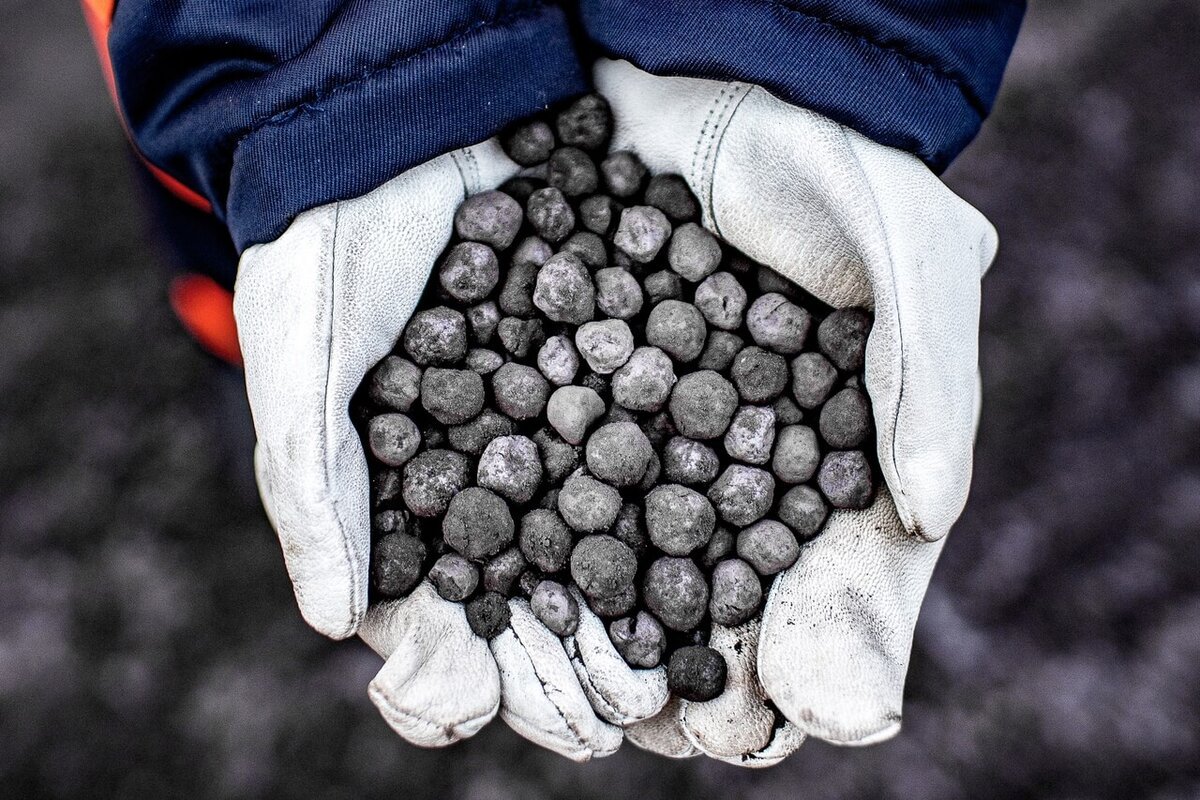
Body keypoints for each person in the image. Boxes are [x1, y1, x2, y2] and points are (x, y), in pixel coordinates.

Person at [84, 0, 1025, 765]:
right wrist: (332, 95)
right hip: (249, 98)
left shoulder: (645, 392)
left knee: (310, 356)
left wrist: (811, 38)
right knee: (285, 320)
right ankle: (238, 366)